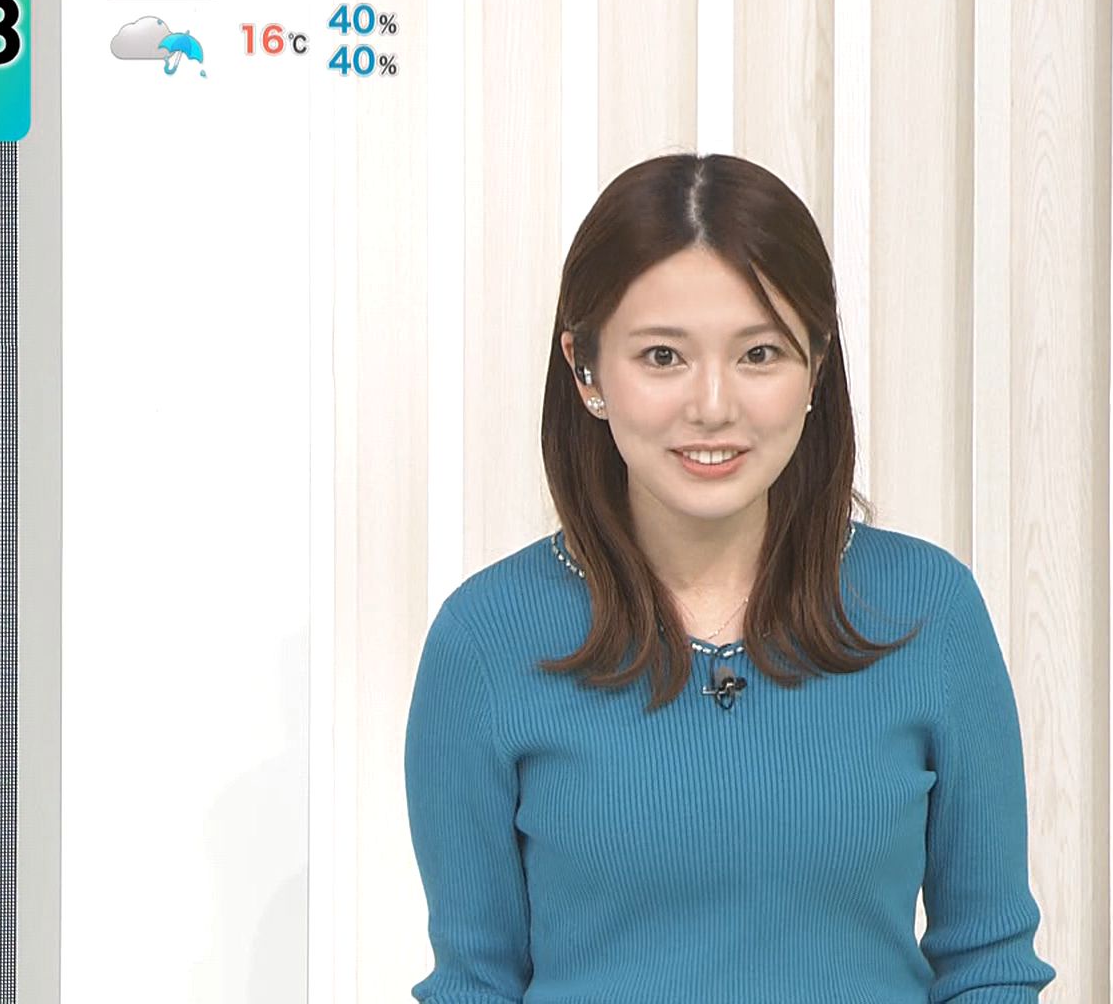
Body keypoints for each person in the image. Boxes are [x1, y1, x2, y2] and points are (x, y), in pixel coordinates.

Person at [403, 152, 1055, 1002]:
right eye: (662, 356)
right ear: (585, 369)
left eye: (759, 353)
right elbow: (475, 983)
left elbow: (990, 965)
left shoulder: (930, 610)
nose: (713, 406)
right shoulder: (485, 640)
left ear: (816, 365)